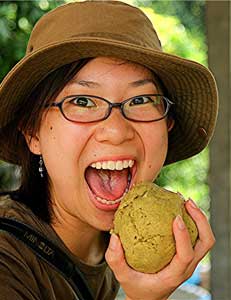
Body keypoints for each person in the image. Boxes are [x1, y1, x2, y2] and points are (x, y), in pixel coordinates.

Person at [0, 1, 218, 300]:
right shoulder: (7, 262)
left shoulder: (120, 255)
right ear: (32, 132)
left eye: (140, 100)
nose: (116, 132)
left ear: (167, 124)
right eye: (82, 102)